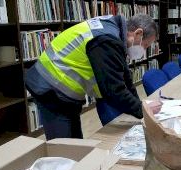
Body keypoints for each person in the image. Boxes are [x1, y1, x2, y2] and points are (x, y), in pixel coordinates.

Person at [25, 14, 161, 140]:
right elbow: (114, 90)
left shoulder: (114, 31)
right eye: (146, 45)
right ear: (138, 33)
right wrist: (144, 110)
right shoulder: (107, 41)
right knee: (63, 147)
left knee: (75, 143)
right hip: (51, 88)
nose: (143, 51)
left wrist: (141, 106)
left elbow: (125, 78)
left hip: (63, 90)